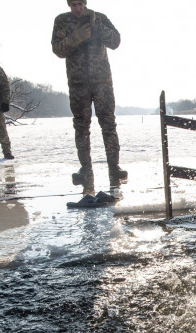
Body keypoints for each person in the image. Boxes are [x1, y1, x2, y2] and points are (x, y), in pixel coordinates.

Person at [52, 0, 126, 195]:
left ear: (85, 3)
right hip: (78, 84)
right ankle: (85, 169)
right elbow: (58, 49)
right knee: (81, 127)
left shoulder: (99, 17)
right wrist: (74, 38)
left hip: (102, 82)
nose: (78, 8)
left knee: (108, 125)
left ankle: (114, 168)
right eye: (74, 4)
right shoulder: (61, 21)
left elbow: (116, 42)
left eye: (80, 4)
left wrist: (97, 27)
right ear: (69, 5)